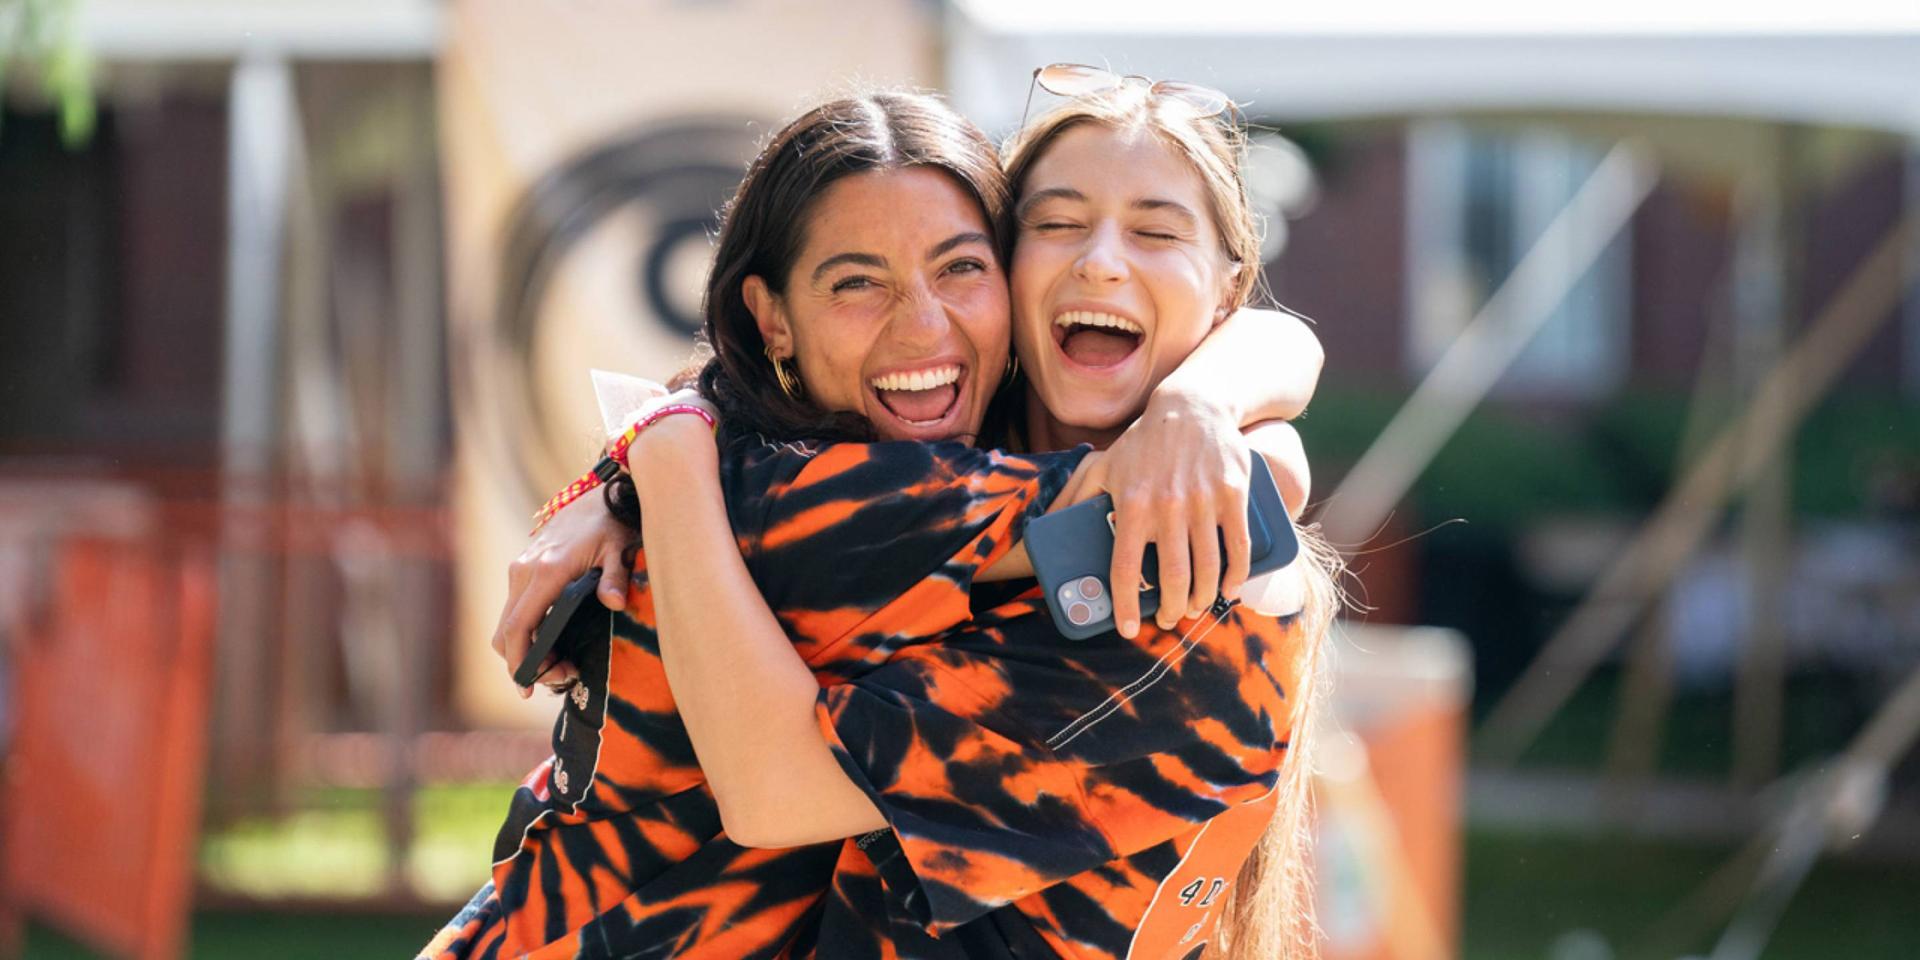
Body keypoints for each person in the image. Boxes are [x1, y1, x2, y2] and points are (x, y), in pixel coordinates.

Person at [430, 77, 1331, 960]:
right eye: (1054, 223)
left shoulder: (1211, 609)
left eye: (1155, 231)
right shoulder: (818, 475)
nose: (1099, 258)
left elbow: (780, 789)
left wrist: (1212, 406)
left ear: (1230, 289)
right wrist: (644, 459)